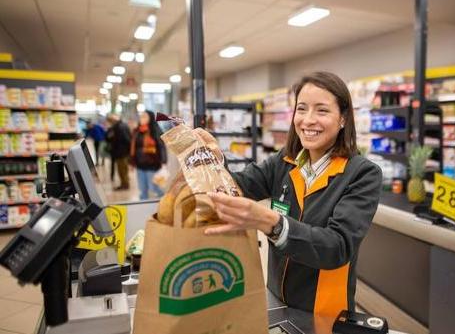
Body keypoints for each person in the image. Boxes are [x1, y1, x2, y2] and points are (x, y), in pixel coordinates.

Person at [206, 71, 382, 317]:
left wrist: (272, 223)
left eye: (321, 110)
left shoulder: (362, 174)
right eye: (302, 109)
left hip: (324, 312)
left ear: (343, 118)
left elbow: (337, 247)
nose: (308, 120)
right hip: (277, 301)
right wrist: (210, 160)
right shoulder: (285, 162)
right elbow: (237, 186)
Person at [131, 110, 166, 200]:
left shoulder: (155, 130)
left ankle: (164, 201)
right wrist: (131, 161)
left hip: (152, 164)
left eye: (144, 116)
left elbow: (161, 147)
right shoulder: (137, 131)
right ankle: (143, 208)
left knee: (154, 187)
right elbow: (133, 147)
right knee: (142, 190)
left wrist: (163, 161)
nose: (142, 118)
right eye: (141, 116)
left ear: (150, 118)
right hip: (140, 165)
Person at [105, 113, 132, 190]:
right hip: (120, 152)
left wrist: (126, 151)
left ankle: (125, 185)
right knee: (121, 169)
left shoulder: (120, 127)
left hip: (121, 152)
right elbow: (108, 138)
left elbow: (127, 140)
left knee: (123, 169)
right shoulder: (118, 126)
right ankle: (123, 184)